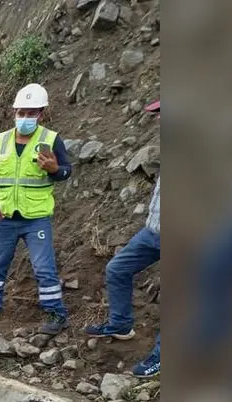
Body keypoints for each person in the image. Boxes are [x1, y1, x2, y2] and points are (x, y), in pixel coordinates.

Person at [0, 83, 74, 335]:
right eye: (22, 112)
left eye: (32, 113)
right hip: (6, 216)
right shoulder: (1, 140)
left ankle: (55, 312)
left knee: (43, 266)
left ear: (41, 114)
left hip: (36, 217)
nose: (26, 118)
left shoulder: (50, 140)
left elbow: (66, 171)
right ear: (14, 112)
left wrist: (54, 170)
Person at [86, 100, 161, 378]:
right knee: (117, 268)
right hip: (154, 232)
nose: (159, 121)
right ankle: (120, 324)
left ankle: (161, 357)